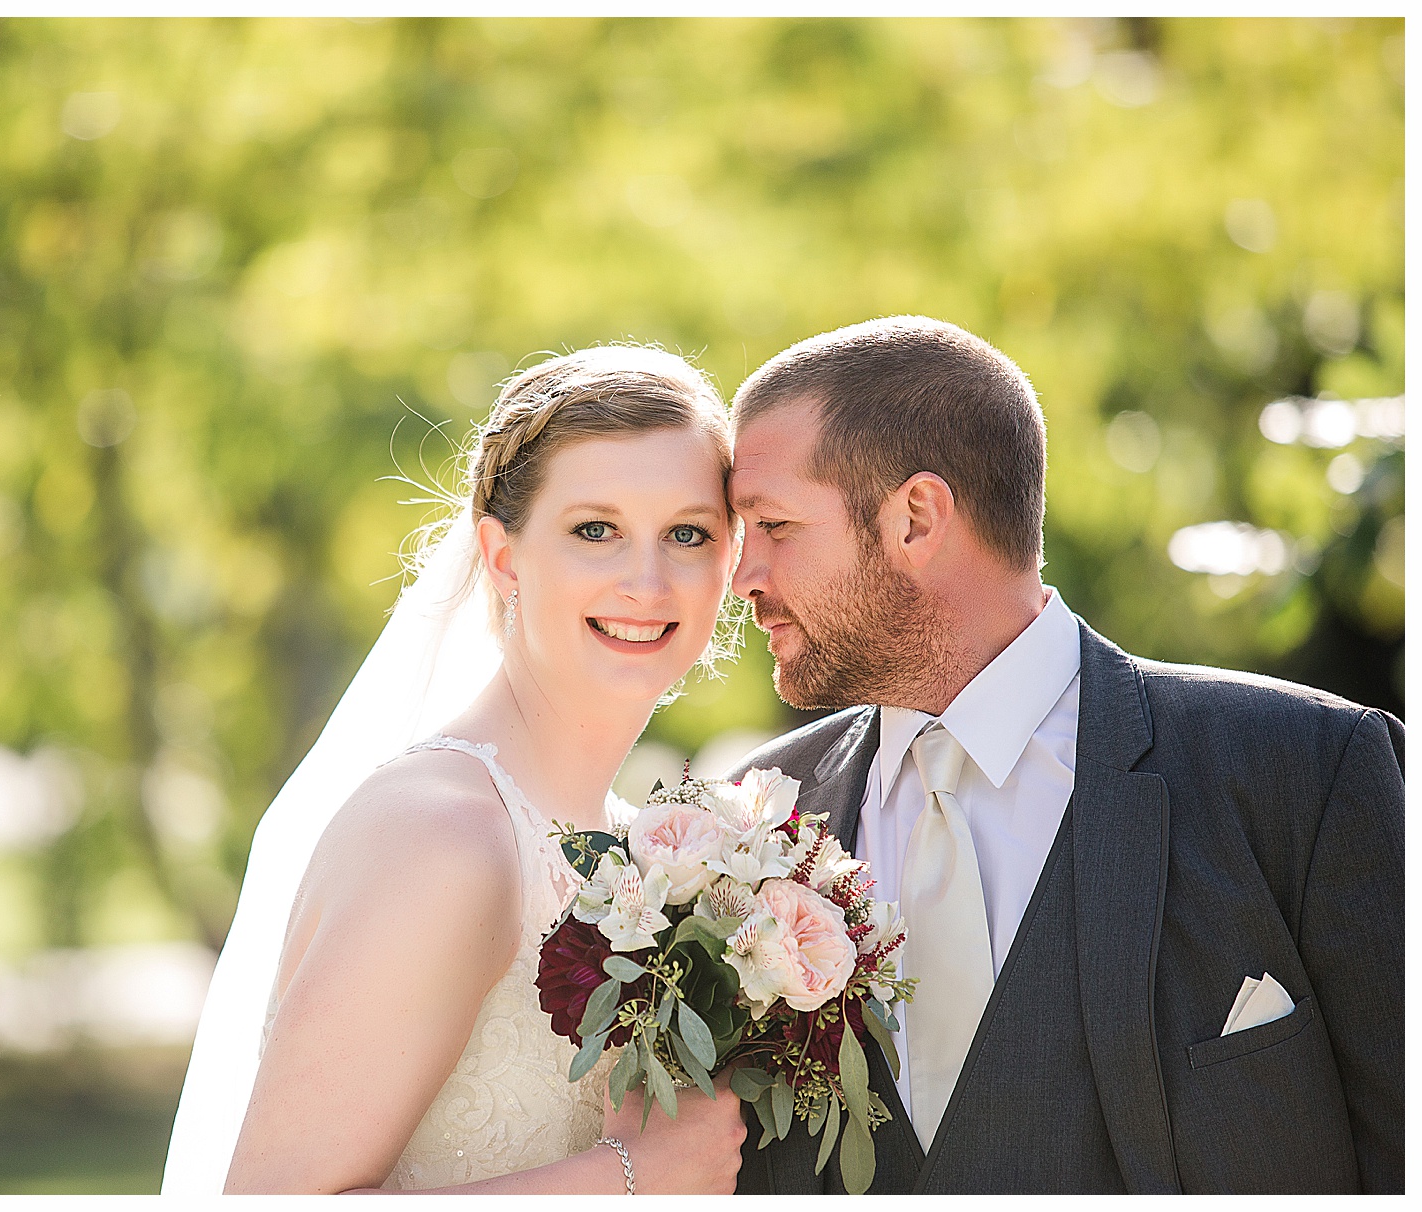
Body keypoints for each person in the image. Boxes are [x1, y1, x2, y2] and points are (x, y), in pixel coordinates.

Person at [723, 316, 1403, 1194]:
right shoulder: (748, 821)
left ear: (916, 518)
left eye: (774, 525)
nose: (744, 576)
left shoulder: (1304, 769)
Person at [162, 346, 748, 1194]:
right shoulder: (440, 832)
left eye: (687, 534)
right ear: (504, 557)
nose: (646, 579)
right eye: (596, 530)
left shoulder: (639, 847)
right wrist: (630, 1179)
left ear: (729, 562)